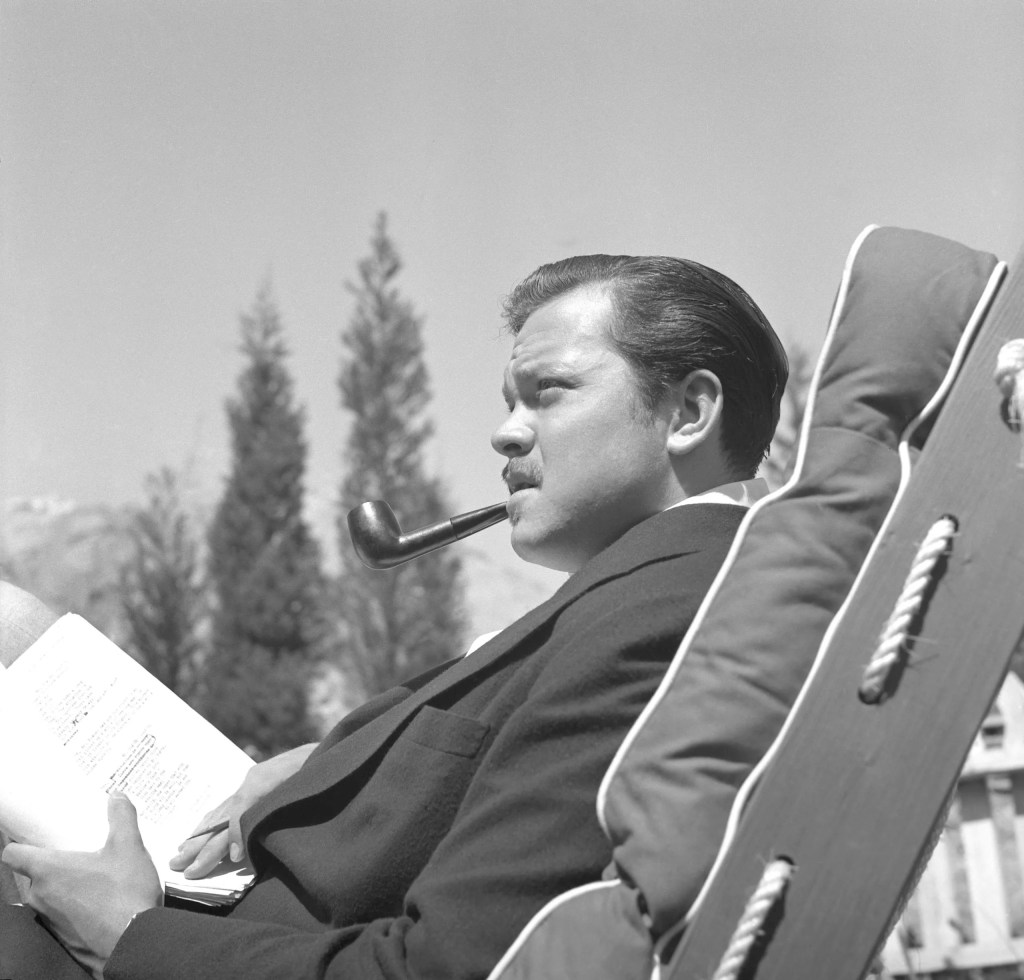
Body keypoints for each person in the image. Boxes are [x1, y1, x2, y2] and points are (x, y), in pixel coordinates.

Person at [0, 254, 787, 980]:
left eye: (549, 392)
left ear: (689, 411)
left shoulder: (660, 620)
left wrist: (130, 934)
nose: (505, 431)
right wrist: (332, 761)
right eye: (510, 401)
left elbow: (442, 969)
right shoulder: (637, 600)